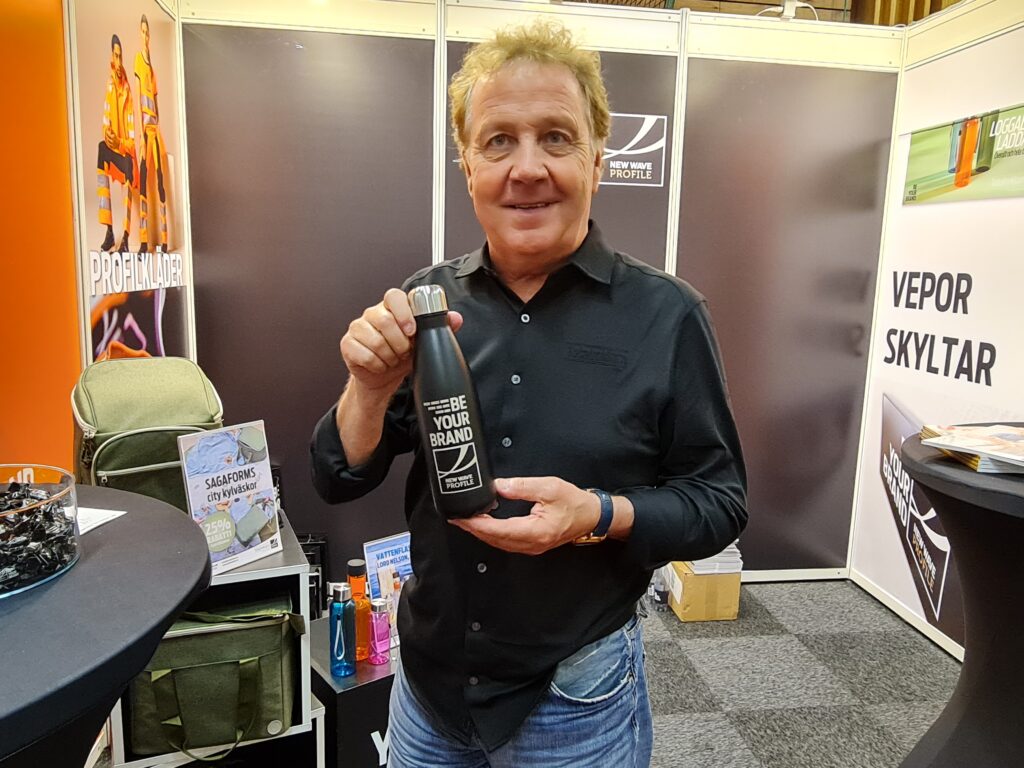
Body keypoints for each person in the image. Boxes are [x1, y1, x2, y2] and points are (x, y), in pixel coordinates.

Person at [310, 20, 747, 768]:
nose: (527, 168)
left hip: (576, 696)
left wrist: (599, 514)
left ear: (597, 160)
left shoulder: (667, 316)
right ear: (468, 167)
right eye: (498, 141)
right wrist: (369, 388)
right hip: (427, 690)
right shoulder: (426, 303)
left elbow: (719, 502)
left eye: (556, 137)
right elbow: (339, 477)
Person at [96, 34, 136, 254]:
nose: (119, 62)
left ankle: (126, 237)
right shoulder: (110, 86)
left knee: (128, 162)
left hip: (125, 155)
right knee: (101, 148)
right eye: (116, 56)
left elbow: (132, 141)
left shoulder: (127, 93)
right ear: (112, 57)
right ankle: (109, 231)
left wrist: (120, 142)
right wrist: (108, 135)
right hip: (113, 150)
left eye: (121, 57)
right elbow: (105, 120)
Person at [134, 14, 169, 254]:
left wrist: (157, 127)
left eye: (148, 33)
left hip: (155, 132)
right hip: (145, 132)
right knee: (144, 184)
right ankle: (145, 241)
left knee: (160, 183)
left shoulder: (152, 69)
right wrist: (140, 134)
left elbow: (156, 103)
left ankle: (165, 240)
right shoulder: (138, 61)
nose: (146, 36)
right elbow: (140, 98)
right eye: (143, 32)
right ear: (140, 34)